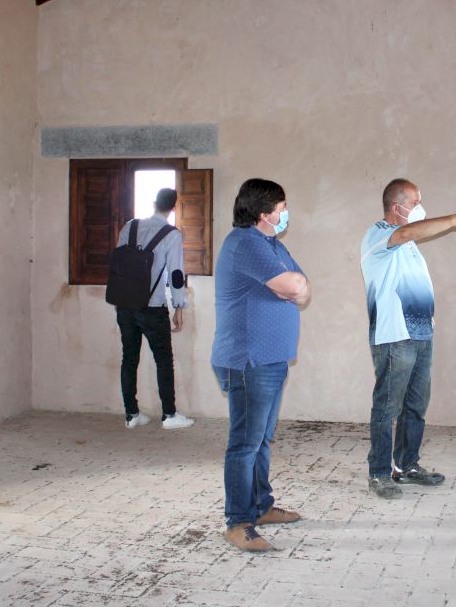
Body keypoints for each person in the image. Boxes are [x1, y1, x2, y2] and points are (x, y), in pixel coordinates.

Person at [360, 179, 456, 499]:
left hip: (420, 334)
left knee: (415, 406)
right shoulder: (379, 234)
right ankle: (379, 473)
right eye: (415, 202)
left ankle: (407, 466)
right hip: (395, 336)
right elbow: (407, 232)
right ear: (396, 207)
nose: (420, 206)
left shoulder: (409, 245)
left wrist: (455, 219)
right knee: (387, 407)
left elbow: (414, 233)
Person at [211, 178, 311, 552]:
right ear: (264, 213)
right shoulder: (245, 243)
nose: (286, 215)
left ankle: (261, 506)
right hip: (248, 360)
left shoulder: (272, 245)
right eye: (282, 209)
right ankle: (238, 522)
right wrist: (292, 286)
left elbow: (303, 288)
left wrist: (294, 285)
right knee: (245, 444)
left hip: (270, 359)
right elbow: (294, 287)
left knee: (261, 441)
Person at [115, 187, 193, 430]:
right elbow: (176, 274)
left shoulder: (130, 227)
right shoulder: (171, 234)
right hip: (153, 306)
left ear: (153, 203)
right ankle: (169, 415)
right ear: (173, 207)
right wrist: (179, 306)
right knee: (163, 360)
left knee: (129, 358)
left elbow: (118, 263)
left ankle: (131, 415)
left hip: (124, 304)